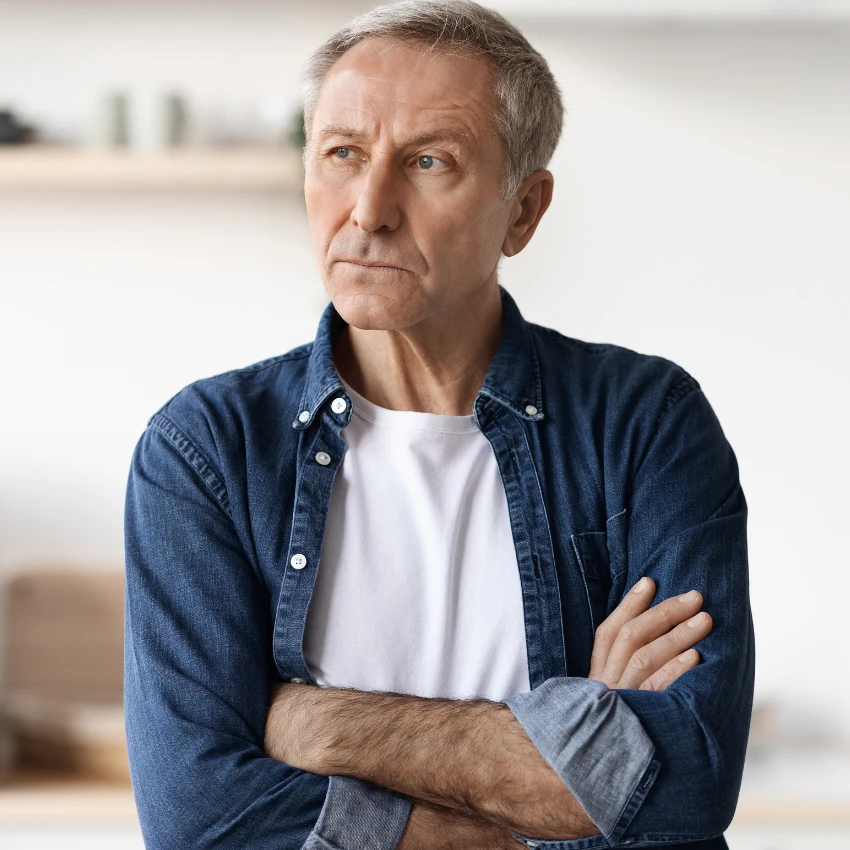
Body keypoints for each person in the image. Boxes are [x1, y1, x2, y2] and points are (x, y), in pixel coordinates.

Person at [123, 2, 755, 849]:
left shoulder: (647, 423)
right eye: (342, 153)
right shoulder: (204, 451)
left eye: (428, 162)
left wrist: (319, 726)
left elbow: (690, 779)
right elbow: (198, 817)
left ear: (523, 212)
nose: (369, 209)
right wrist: (571, 772)